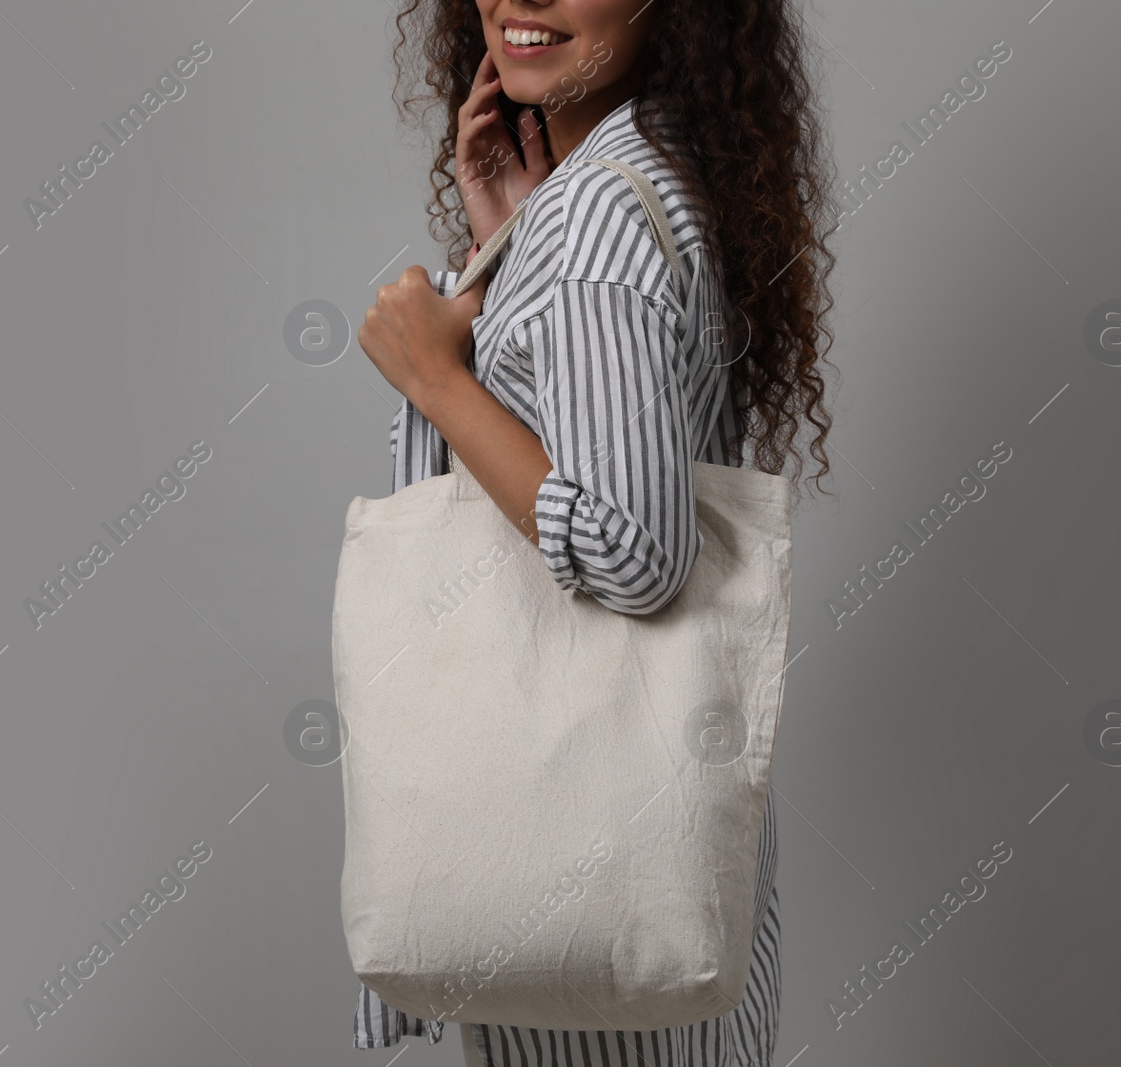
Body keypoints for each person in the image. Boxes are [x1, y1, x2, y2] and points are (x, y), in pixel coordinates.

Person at [355, 1, 838, 1063]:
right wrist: (508, 245)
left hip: (585, 912)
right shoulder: (644, 181)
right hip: (649, 871)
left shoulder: (597, 225)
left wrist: (436, 376)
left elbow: (632, 544)